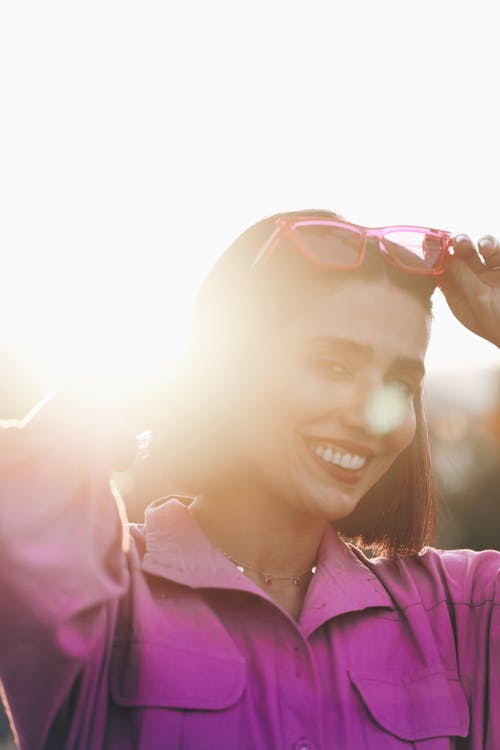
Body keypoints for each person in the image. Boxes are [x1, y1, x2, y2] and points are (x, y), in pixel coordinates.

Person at [0, 210, 499, 750]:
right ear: (235, 368)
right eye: (334, 366)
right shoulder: (107, 598)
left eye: (400, 384)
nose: (370, 416)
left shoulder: (458, 613)